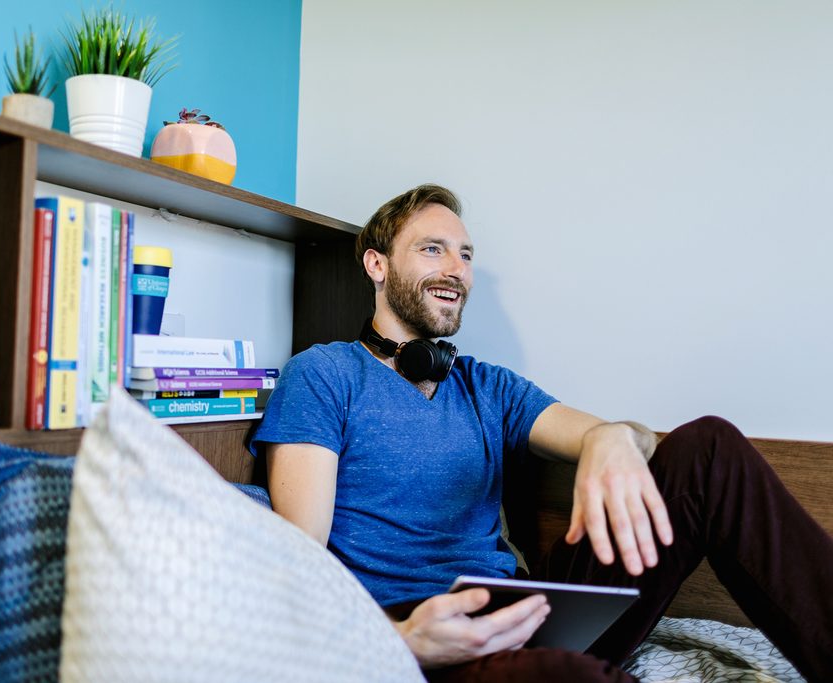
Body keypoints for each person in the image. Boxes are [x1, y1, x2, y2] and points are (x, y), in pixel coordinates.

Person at [249, 184, 833, 682]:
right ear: (377, 265)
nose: (456, 269)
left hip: (531, 609)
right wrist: (397, 639)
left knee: (709, 446)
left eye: (466, 255)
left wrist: (613, 437)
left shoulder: (486, 384)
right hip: (424, 632)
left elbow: (628, 439)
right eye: (433, 249)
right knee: (563, 677)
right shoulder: (323, 374)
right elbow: (301, 565)